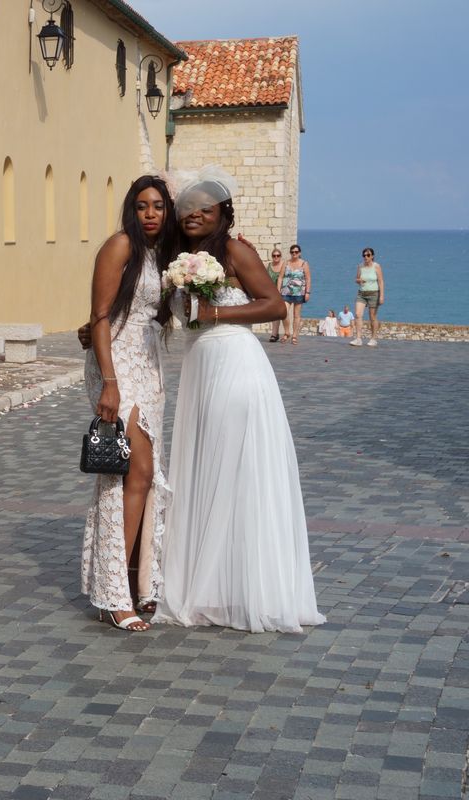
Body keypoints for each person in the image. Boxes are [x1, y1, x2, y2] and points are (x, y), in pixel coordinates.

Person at [152, 166, 325, 633]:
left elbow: (274, 304)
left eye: (204, 208)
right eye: (187, 208)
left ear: (223, 213)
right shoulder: (179, 259)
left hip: (235, 363)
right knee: (209, 469)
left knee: (236, 466)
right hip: (200, 367)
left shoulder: (234, 250)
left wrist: (214, 312)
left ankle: (249, 590)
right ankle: (214, 587)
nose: (193, 214)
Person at [81, 175, 174, 632]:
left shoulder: (164, 255)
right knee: (132, 470)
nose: (150, 214)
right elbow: (99, 317)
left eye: (158, 206)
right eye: (142, 206)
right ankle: (114, 594)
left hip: (150, 364)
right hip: (116, 362)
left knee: (145, 475)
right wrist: (110, 383)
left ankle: (137, 583)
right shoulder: (119, 246)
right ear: (131, 210)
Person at [277, 243, 310, 345]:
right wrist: (278, 290)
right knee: (284, 313)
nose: (294, 253)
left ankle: (295, 336)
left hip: (299, 292)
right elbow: (280, 277)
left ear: (299, 253)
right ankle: (287, 332)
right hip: (286, 292)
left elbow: (308, 279)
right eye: (292, 252)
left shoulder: (304, 264)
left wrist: (307, 292)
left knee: (296, 315)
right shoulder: (286, 263)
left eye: (296, 252)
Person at [351, 247, 385, 347]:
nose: (366, 257)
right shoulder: (360, 266)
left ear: (372, 256)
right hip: (362, 293)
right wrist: (359, 281)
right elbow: (357, 279)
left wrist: (381, 296)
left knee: (372, 317)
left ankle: (373, 339)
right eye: (364, 255)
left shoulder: (376, 266)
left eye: (368, 255)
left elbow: (381, 281)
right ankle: (358, 339)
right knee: (357, 314)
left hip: (374, 294)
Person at [266, 246, 284, 341]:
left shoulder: (284, 265)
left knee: (281, 313)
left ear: (281, 256)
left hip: (283, 293)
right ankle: (275, 334)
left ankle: (278, 334)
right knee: (274, 313)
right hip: (272, 293)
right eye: (274, 255)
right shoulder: (268, 266)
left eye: (278, 255)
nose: (276, 257)